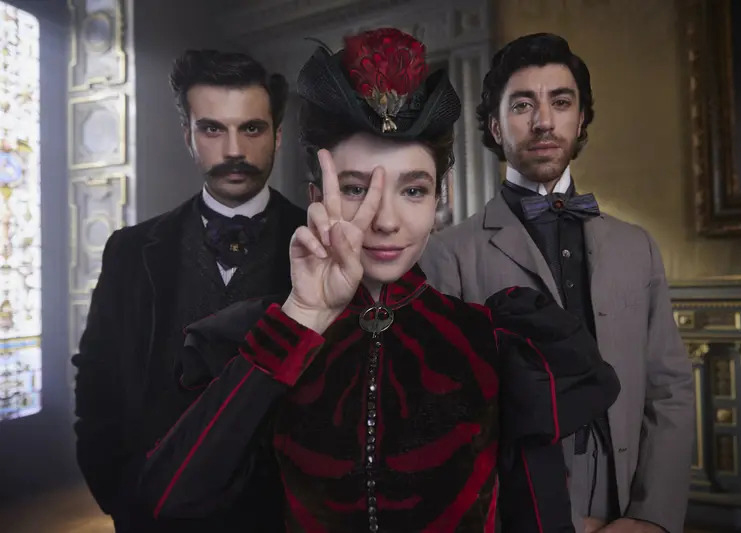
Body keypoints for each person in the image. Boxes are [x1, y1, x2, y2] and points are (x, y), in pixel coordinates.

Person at [138, 28, 620, 532]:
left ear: (440, 198)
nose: (385, 221)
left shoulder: (497, 342)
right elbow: (169, 494)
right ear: (317, 197)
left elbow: (540, 520)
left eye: (413, 190)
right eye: (355, 189)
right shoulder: (265, 337)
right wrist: (303, 317)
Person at [420, 33, 694, 533]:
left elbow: (669, 388)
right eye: (522, 105)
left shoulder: (638, 246)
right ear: (495, 126)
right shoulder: (447, 254)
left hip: (628, 490)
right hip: (515, 508)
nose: (543, 121)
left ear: (581, 119)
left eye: (561, 102)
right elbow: (447, 422)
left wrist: (653, 519)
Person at [72, 50, 305, 532]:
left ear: (278, 136)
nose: (234, 150)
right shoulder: (129, 250)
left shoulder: (320, 243)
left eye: (252, 129)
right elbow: (96, 375)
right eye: (213, 129)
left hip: (283, 516)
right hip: (156, 514)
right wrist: (118, 491)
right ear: (188, 137)